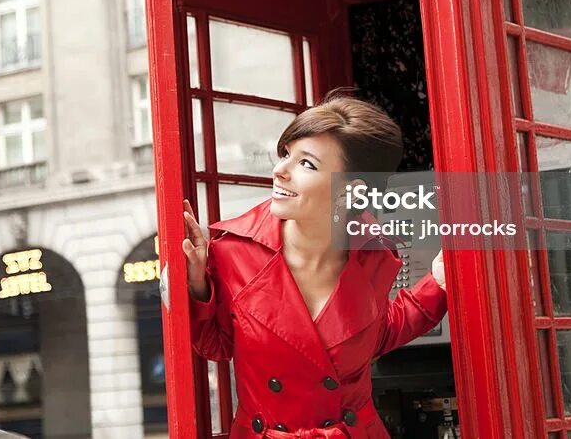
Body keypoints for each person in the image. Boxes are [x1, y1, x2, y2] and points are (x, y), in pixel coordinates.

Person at [183, 92, 447, 438]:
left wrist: (438, 286)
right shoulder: (233, 250)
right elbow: (216, 346)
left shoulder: (375, 254)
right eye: (286, 154)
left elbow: (370, 335)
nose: (280, 170)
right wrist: (199, 287)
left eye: (306, 163)